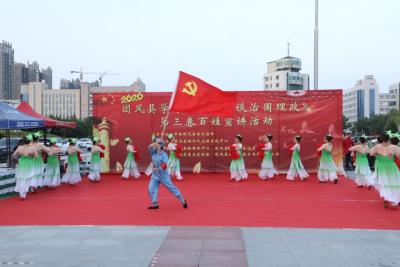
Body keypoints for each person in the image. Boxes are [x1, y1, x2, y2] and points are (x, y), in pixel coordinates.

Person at [147, 136, 187, 209]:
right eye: (154, 142)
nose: (155, 144)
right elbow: (149, 147)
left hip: (163, 175)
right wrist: (156, 143)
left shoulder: (164, 154)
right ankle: (155, 204)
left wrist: (158, 168)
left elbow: (165, 165)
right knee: (150, 188)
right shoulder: (153, 152)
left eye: (156, 143)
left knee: (171, 187)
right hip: (155, 175)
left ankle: (182, 200)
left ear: (161, 145)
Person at [370, 133, 400, 209]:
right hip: (391, 166)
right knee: (393, 183)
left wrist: (378, 154)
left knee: (384, 183)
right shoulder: (394, 147)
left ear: (382, 139)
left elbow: (371, 153)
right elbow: (399, 155)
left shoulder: (377, 146)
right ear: (389, 139)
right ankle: (394, 202)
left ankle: (386, 200)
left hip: (382, 167)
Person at [13, 135, 38, 200]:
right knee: (27, 178)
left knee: (21, 178)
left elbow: (14, 155)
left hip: (21, 164)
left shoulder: (20, 147)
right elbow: (37, 156)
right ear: (30, 141)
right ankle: (24, 193)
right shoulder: (33, 148)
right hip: (29, 164)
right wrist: (31, 155)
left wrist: (18, 159)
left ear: (23, 141)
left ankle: (22, 193)